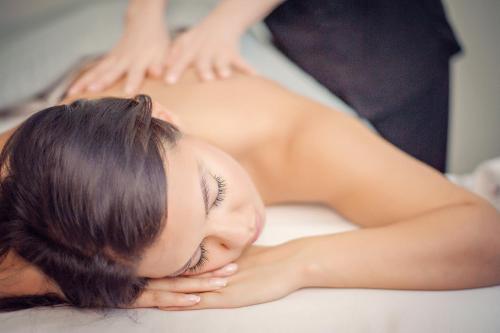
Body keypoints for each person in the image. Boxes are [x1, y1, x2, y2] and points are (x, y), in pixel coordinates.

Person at [1, 69, 499, 312]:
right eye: (196, 256)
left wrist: (298, 263)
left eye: (214, 192)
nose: (242, 232)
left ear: (167, 119)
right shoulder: (33, 174)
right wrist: (90, 285)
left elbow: (486, 235)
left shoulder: (300, 143)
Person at [68, 0, 461, 173]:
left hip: (388, 42)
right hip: (297, 37)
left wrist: (227, 20)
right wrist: (144, 15)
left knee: (409, 180)